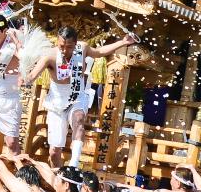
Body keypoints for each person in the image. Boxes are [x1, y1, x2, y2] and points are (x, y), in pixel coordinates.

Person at [24, 27, 135, 168]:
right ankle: (59, 178)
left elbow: (99, 52)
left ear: (75, 44)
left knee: (78, 119)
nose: (64, 50)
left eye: (69, 47)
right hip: (57, 103)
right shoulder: (49, 56)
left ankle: (73, 165)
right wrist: (25, 80)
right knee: (54, 152)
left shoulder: (82, 48)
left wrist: (122, 42)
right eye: (61, 46)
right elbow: (33, 75)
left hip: (77, 97)